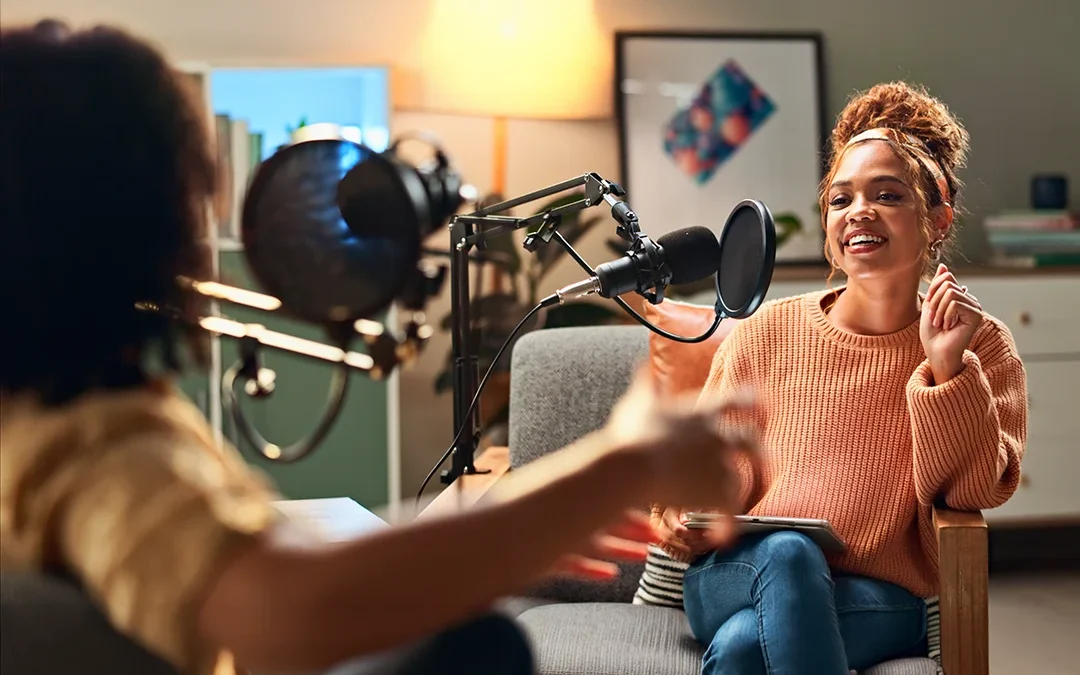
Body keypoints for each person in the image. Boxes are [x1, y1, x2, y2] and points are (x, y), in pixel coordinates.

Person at [0, 20, 755, 675]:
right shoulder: (93, 444)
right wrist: (625, 464)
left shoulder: (41, 419)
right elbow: (291, 606)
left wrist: (524, 523)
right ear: (143, 221)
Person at [650, 81, 1028, 674]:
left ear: (937, 218)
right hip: (734, 574)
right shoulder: (765, 331)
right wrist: (690, 507)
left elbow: (973, 493)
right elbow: (710, 463)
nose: (859, 212)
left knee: (748, 648)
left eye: (888, 195)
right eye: (840, 198)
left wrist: (948, 370)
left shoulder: (980, 344)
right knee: (789, 552)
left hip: (876, 595)